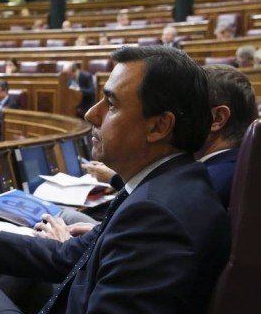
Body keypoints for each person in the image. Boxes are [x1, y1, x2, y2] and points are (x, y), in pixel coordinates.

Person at [0, 46, 230, 314]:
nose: (91, 113)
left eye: (110, 104)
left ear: (158, 126)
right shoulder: (167, 185)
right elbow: (68, 256)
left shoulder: (156, 216)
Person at [83, 64, 257, 212]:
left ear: (217, 118)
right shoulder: (236, 167)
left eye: (185, 109)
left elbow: (156, 209)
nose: (172, 122)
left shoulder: (208, 182)